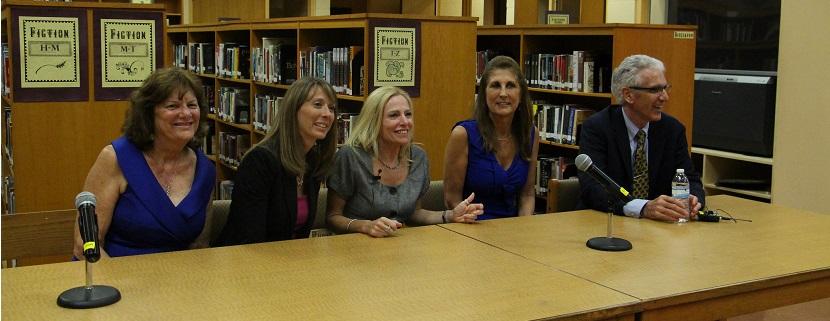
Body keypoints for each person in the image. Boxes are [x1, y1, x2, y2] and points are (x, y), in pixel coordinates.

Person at [73, 67, 216, 259]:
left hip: (177, 281)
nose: (186, 114)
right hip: (113, 277)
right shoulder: (115, 158)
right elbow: (85, 243)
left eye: (192, 105)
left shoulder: (205, 170)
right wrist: (117, 286)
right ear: (148, 113)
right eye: (173, 106)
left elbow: (200, 247)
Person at [327, 86, 483, 237]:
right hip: (354, 248)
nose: (405, 122)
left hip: (400, 249)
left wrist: (450, 215)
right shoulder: (350, 156)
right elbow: (333, 218)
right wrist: (365, 226)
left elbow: (414, 214)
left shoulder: (417, 157)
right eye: (394, 115)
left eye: (408, 114)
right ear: (374, 121)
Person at [577, 54, 704, 222]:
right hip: (606, 223)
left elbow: (691, 178)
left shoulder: (672, 129)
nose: (665, 97)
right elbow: (593, 188)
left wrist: (693, 200)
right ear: (628, 95)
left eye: (665, 88)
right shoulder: (597, 128)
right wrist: (642, 207)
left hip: (659, 228)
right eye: (654, 90)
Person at [213, 77, 338, 245]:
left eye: (331, 108)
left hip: (289, 259)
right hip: (246, 262)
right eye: (318, 104)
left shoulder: (312, 160)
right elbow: (249, 237)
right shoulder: (260, 161)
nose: (327, 114)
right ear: (293, 109)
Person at [443, 56, 539, 220]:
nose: (503, 93)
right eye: (495, 85)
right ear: (483, 94)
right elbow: (451, 199)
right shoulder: (463, 134)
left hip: (514, 230)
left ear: (521, 94)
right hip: (471, 228)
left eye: (510, 86)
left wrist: (525, 227)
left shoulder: (530, 133)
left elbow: (527, 194)